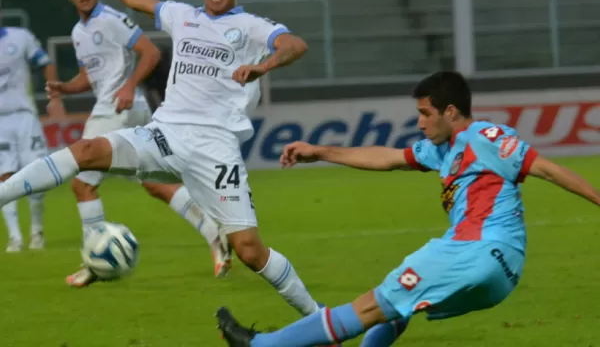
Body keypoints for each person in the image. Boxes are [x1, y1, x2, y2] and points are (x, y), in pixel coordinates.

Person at [0, 0, 325, 319]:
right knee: (86, 151)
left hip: (214, 149)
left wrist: (263, 65)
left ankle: (318, 318)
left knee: (250, 250)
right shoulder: (182, 16)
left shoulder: (252, 26)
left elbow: (294, 45)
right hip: (164, 135)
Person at [215, 71, 600, 347]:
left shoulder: (484, 137)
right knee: (399, 309)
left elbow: (547, 169)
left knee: (369, 307)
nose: (418, 123)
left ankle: (261, 345)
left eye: (425, 114)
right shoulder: (442, 149)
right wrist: (321, 151)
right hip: (504, 272)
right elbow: (387, 158)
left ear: (451, 112)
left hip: (475, 250)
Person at [47, 0, 230, 286]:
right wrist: (65, 87)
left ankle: (93, 260)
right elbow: (90, 77)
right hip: (127, 108)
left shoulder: (111, 19)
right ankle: (215, 235)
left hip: (118, 108)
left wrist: (130, 85)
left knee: (82, 184)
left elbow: (150, 52)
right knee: (154, 183)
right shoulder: (79, 32)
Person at [0, 25, 65, 252]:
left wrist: (54, 97)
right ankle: (15, 237)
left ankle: (36, 232)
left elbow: (46, 63)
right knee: (4, 177)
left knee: (36, 175)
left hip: (25, 117)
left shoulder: (21, 37)